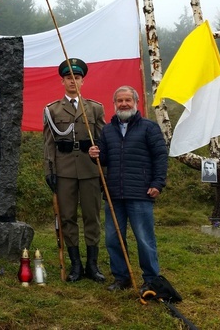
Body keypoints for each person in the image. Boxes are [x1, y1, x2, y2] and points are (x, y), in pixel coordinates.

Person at [88, 85, 168, 294]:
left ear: (136, 102)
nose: (123, 104)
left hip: (141, 193)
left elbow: (160, 157)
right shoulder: (107, 129)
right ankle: (121, 277)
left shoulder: (149, 128)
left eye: (127, 100)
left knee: (144, 239)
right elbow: (104, 158)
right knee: (113, 239)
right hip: (114, 194)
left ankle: (151, 279)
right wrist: (94, 153)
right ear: (114, 104)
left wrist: (157, 183)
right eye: (119, 101)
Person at [43, 58, 106, 283]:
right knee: (68, 217)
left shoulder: (96, 108)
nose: (73, 81)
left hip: (90, 170)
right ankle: (75, 265)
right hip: (65, 170)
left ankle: (92, 264)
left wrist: (103, 170)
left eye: (77, 78)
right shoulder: (52, 110)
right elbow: (49, 143)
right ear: (63, 81)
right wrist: (49, 171)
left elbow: (103, 140)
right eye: (69, 78)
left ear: (82, 81)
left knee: (92, 216)